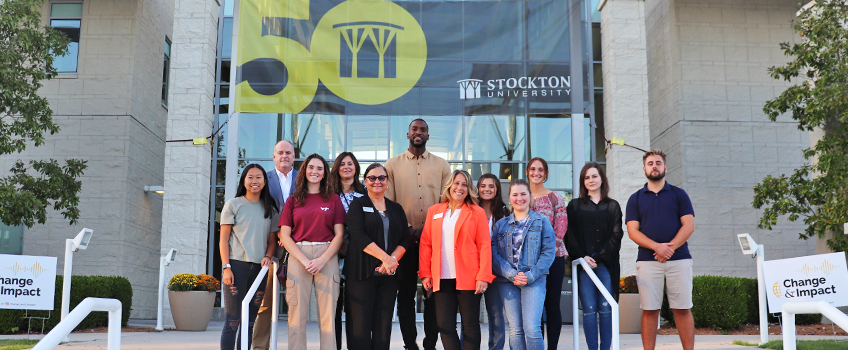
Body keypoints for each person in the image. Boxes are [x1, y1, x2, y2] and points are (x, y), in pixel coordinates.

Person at [385, 118, 451, 350]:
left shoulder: (442, 165)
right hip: (403, 241)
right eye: (415, 129)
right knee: (405, 296)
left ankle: (430, 343)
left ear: (428, 135)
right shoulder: (392, 165)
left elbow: (447, 202)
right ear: (408, 134)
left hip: (434, 240)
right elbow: (389, 204)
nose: (418, 133)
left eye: (423, 130)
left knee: (433, 294)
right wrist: (407, 231)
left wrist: (426, 230)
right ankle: (409, 343)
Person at [625, 149, 695, 350]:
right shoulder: (635, 198)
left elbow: (688, 225)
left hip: (679, 259)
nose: (654, 166)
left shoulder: (679, 194)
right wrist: (657, 247)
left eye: (657, 163)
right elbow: (632, 231)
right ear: (644, 169)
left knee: (682, 309)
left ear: (665, 167)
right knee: (649, 310)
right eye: (650, 163)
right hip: (647, 260)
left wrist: (669, 249)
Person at [419, 169, 494, 350]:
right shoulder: (434, 211)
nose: (459, 188)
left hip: (469, 277)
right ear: (449, 186)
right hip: (442, 277)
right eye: (456, 183)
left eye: (464, 185)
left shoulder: (477, 212)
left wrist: (483, 276)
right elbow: (426, 244)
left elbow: (484, 245)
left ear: (469, 190)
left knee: (470, 326)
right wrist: (425, 274)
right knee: (444, 325)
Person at [278, 154, 346, 350]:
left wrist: (322, 260)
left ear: (325, 173)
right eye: (311, 167)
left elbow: (339, 235)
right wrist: (305, 260)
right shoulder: (293, 200)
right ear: (304, 171)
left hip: (327, 256)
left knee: (327, 317)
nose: (314, 172)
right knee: (296, 315)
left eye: (319, 168)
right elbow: (285, 235)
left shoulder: (333, 200)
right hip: (299, 256)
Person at [344, 163, 410, 350]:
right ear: (365, 182)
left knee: (383, 327)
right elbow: (357, 235)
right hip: (361, 273)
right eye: (372, 178)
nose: (377, 182)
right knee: (360, 327)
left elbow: (405, 238)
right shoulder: (358, 204)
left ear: (387, 182)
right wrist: (386, 258)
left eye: (381, 178)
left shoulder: (396, 208)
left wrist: (392, 261)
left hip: (389, 275)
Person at [220, 164, 280, 350]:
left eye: (259, 177)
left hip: (259, 271)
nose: (254, 181)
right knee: (233, 320)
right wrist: (226, 267)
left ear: (264, 181)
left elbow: (272, 242)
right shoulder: (233, 204)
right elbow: (223, 240)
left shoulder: (270, 208)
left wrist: (268, 257)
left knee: (250, 322)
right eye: (250, 177)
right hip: (236, 267)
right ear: (244, 180)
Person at [491, 179, 556, 350]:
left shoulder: (542, 222)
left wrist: (530, 275)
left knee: (532, 329)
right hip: (507, 282)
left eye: (523, 194)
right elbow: (493, 254)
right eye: (515, 195)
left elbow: (549, 252)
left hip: (534, 280)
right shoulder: (501, 225)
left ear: (530, 196)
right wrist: (511, 274)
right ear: (509, 197)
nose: (519, 198)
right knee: (515, 330)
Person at [565, 163, 623, 350]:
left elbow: (616, 235)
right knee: (589, 310)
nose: (591, 180)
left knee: (606, 308)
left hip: (606, 264)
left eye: (594, 176)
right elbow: (569, 235)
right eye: (587, 177)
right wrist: (583, 257)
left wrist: (597, 258)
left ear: (602, 178)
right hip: (584, 266)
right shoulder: (574, 206)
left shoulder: (612, 206)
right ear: (583, 181)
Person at [253, 140, 298, 350]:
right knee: (265, 302)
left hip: (297, 247)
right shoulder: (264, 179)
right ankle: (260, 347)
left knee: (296, 303)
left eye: (288, 152)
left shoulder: (303, 179)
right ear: (273, 157)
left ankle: (295, 345)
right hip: (269, 247)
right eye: (280, 153)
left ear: (294, 155)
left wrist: (289, 233)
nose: (284, 156)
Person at [526, 157, 568, 349]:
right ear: (527, 172)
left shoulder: (556, 198)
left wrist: (544, 253)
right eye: (533, 169)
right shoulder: (521, 196)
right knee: (534, 308)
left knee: (551, 305)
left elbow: (560, 229)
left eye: (540, 170)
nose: (537, 173)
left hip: (554, 258)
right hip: (528, 261)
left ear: (546, 174)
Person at [329, 152, 365, 350]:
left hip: (358, 257)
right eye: (342, 164)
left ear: (356, 167)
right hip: (334, 255)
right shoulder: (329, 193)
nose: (346, 167)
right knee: (334, 308)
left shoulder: (365, 192)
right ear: (337, 168)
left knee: (354, 310)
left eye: (350, 163)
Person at [476, 173, 508, 350]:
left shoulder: (504, 213)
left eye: (491, 186)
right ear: (478, 189)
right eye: (483, 186)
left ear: (497, 189)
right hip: (474, 269)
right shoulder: (471, 209)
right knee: (470, 315)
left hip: (495, 269)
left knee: (495, 314)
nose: (486, 189)